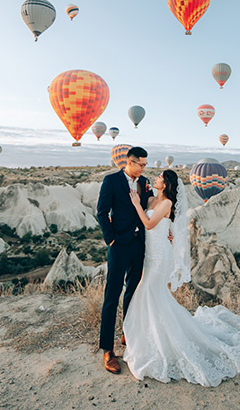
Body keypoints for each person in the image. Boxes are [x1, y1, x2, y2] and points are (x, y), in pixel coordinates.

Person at [123, 169, 240, 387]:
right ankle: (153, 338)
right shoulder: (153, 199)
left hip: (160, 257)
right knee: (151, 295)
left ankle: (167, 342)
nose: (155, 179)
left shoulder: (165, 204)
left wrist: (136, 204)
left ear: (165, 184)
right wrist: (141, 199)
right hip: (149, 255)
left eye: (159, 178)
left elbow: (148, 224)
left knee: (150, 293)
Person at [96, 146, 154, 374]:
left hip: (140, 245)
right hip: (119, 245)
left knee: (133, 291)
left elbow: (150, 207)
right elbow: (102, 212)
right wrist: (111, 239)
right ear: (129, 162)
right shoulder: (111, 181)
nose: (143, 168)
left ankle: (127, 333)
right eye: (141, 164)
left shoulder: (145, 181)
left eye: (145, 165)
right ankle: (107, 350)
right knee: (112, 295)